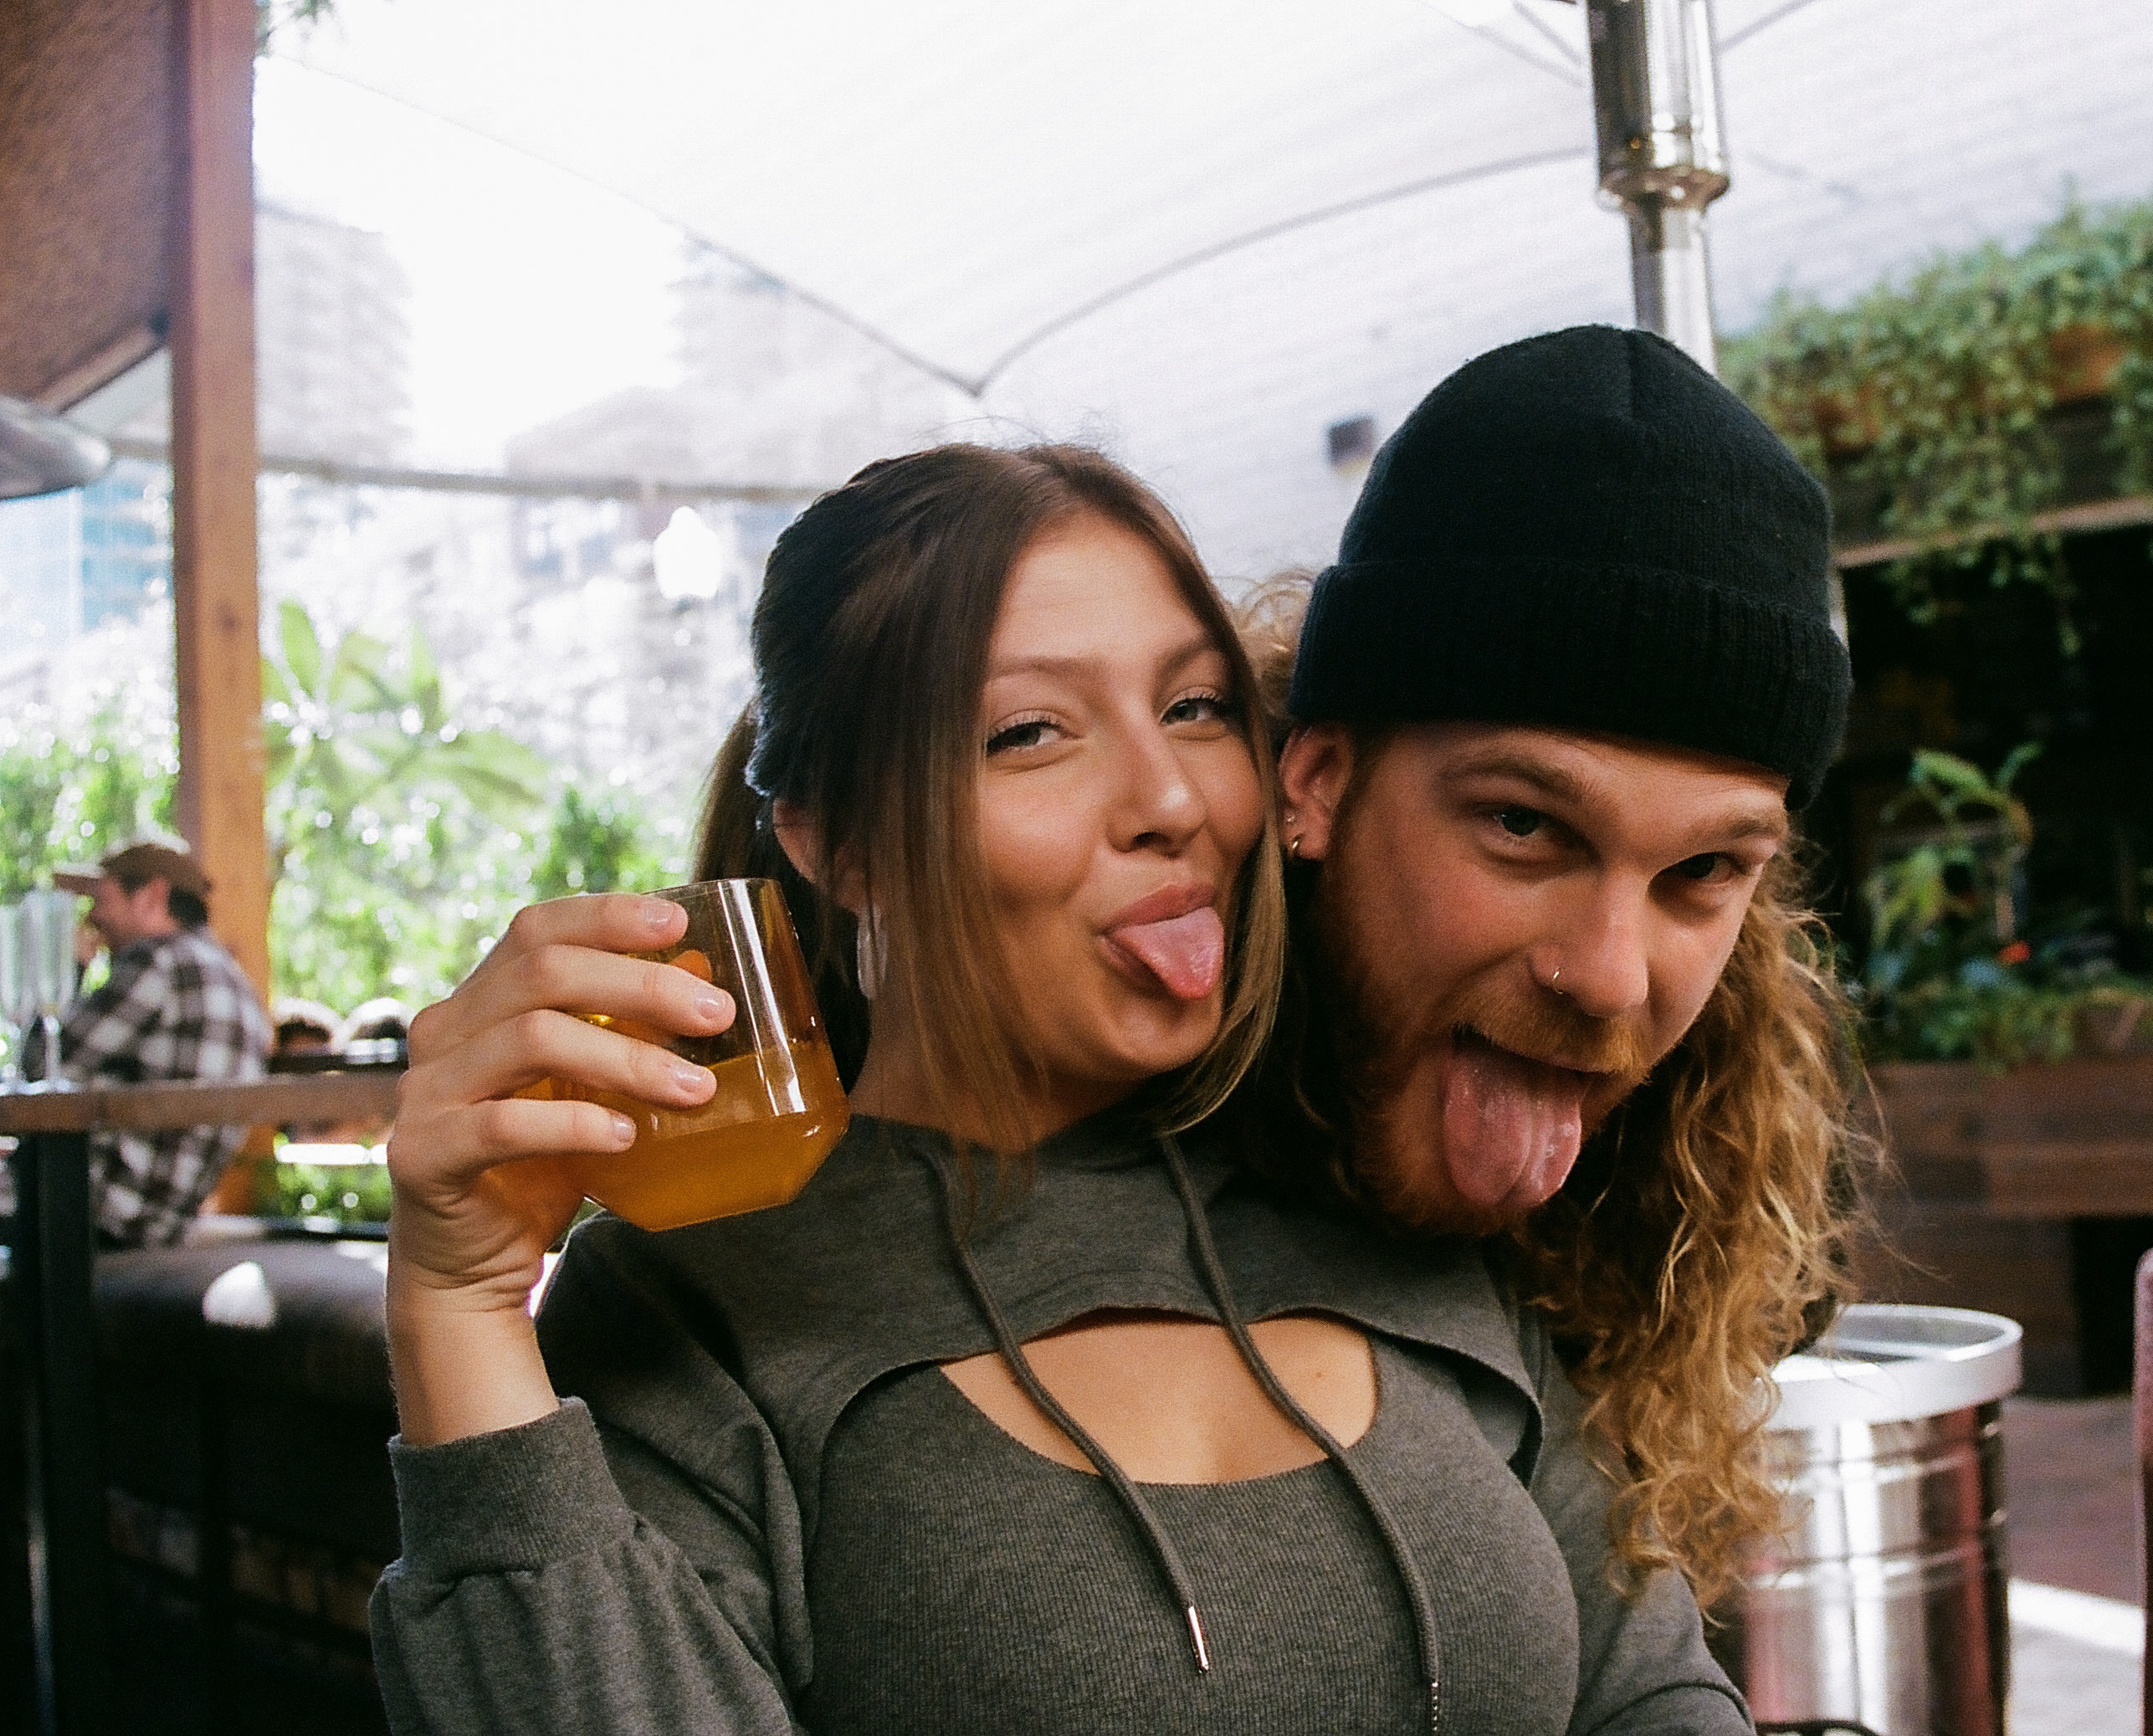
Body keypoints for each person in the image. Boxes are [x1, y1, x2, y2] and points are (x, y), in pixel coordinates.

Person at [369, 442, 1746, 1734]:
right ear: (838, 841)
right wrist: (457, 1302)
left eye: (1198, 708)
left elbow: (1651, 1695)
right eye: (1032, 732)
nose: (1171, 797)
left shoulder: (1360, 1175)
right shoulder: (700, 1293)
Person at [1231, 323, 1859, 1595]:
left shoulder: (1643, 1230)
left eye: (1701, 872)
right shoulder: (1075, 1158)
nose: (1614, 974)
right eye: (1523, 825)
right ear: (1318, 777)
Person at [49, 839, 271, 1244]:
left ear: (153, 895)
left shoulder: (158, 962)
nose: (92, 917)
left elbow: (44, 1067)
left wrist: (69, 970)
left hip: (101, 1214)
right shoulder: (231, 976)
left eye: (102, 900)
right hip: (160, 1221)